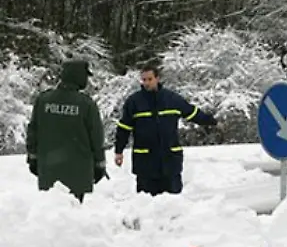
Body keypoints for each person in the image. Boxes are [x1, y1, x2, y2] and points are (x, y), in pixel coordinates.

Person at [113, 64, 217, 195]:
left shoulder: (172, 99)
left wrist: (212, 121)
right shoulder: (134, 102)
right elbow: (124, 128)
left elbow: (192, 113)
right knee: (146, 204)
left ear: (157, 78)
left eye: (149, 79)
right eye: (144, 80)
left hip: (170, 162)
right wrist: (119, 151)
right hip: (145, 164)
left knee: (173, 203)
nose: (146, 83)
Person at [25, 59, 108, 203]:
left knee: (48, 212)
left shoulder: (43, 100)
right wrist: (100, 164)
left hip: (48, 168)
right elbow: (96, 137)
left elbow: (33, 131)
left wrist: (32, 157)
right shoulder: (87, 104)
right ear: (79, 77)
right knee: (72, 216)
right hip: (78, 172)